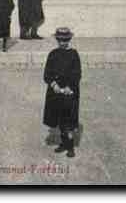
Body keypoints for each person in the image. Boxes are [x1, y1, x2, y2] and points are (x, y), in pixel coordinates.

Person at [43, 27, 82, 159]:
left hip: (69, 93)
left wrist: (69, 87)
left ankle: (70, 146)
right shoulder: (53, 54)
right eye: (59, 40)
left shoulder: (74, 54)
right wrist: (54, 85)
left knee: (68, 121)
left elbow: (77, 74)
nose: (62, 43)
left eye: (64, 40)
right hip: (55, 92)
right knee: (59, 119)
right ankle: (63, 143)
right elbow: (47, 73)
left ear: (69, 40)